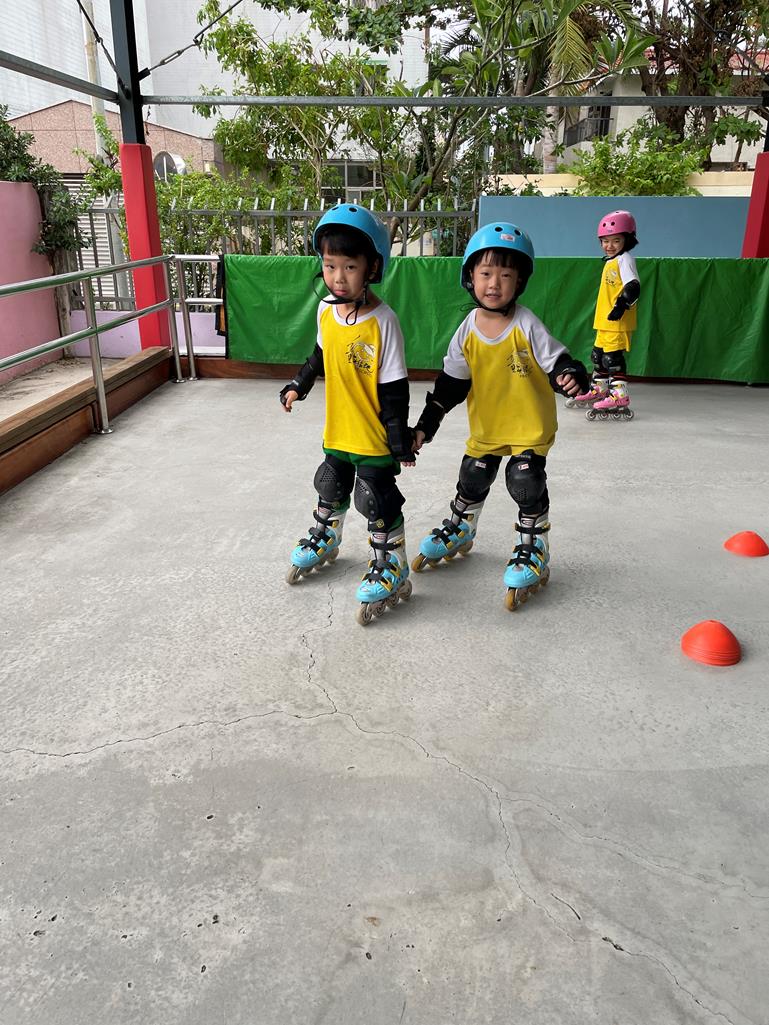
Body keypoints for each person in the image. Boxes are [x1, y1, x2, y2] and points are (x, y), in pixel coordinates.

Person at [410, 222, 589, 610]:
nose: (494, 284)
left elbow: (557, 361)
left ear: (519, 282)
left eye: (506, 276)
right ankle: (462, 525)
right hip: (488, 428)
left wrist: (569, 376)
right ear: (470, 278)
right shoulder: (467, 330)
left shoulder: (526, 323)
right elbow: (450, 386)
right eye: (486, 273)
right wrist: (425, 426)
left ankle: (534, 544)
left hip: (529, 428)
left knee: (524, 481)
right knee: (473, 475)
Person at [280, 203, 415, 626]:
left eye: (349, 267)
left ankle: (393, 564)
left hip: (373, 435)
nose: (338, 277)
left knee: (375, 499)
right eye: (330, 265)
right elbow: (320, 355)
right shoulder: (326, 309)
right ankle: (327, 534)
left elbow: (395, 389)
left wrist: (399, 439)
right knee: (330, 483)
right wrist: (298, 384)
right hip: (338, 429)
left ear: (372, 267)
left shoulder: (383, 321)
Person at [572, 209, 640, 418]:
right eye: (605, 241)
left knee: (612, 359)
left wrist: (621, 306)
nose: (609, 246)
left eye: (616, 240)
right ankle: (600, 390)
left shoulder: (624, 259)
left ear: (627, 240)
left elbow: (633, 286)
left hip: (617, 322)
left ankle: (619, 395)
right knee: (598, 357)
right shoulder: (611, 260)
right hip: (604, 322)